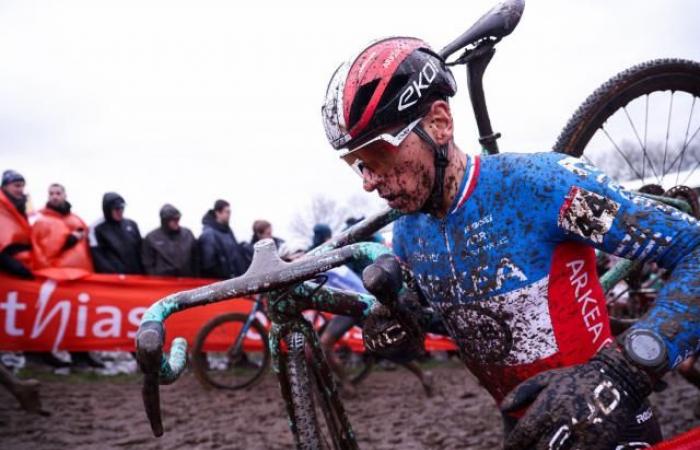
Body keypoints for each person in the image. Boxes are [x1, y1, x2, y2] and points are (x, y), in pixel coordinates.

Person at [321, 37, 700, 448]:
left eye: (379, 153)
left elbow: (695, 250)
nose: (368, 180)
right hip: (525, 428)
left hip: (609, 422)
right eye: (356, 163)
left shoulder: (544, 186)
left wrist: (625, 370)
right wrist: (399, 323)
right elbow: (460, 325)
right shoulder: (410, 234)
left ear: (439, 123)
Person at [31, 183, 92, 271]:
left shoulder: (77, 219)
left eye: (58, 193)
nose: (54, 197)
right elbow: (37, 247)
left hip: (83, 273)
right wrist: (68, 240)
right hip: (56, 275)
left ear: (65, 195)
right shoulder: (39, 219)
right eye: (51, 194)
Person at [89, 192, 143, 274]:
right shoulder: (96, 228)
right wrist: (114, 274)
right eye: (117, 209)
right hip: (114, 280)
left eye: (122, 208)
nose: (120, 211)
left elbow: (141, 250)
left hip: (136, 278)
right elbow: (98, 257)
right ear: (108, 210)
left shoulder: (131, 224)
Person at [142, 204, 198, 277]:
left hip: (186, 280)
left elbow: (196, 259)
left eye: (178, 219)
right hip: (162, 282)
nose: (176, 222)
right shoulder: (151, 238)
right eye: (173, 220)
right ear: (165, 221)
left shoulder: (187, 234)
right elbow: (147, 263)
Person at [199, 199, 250, 279]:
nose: (229, 215)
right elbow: (208, 264)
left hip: (234, 280)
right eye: (227, 212)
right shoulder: (209, 234)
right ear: (218, 213)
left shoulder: (228, 231)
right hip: (221, 283)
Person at [0, 170, 34, 278]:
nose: (21, 189)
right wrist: (14, 266)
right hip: (8, 266)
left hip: (22, 263)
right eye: (17, 186)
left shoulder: (21, 210)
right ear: (4, 187)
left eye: (22, 186)